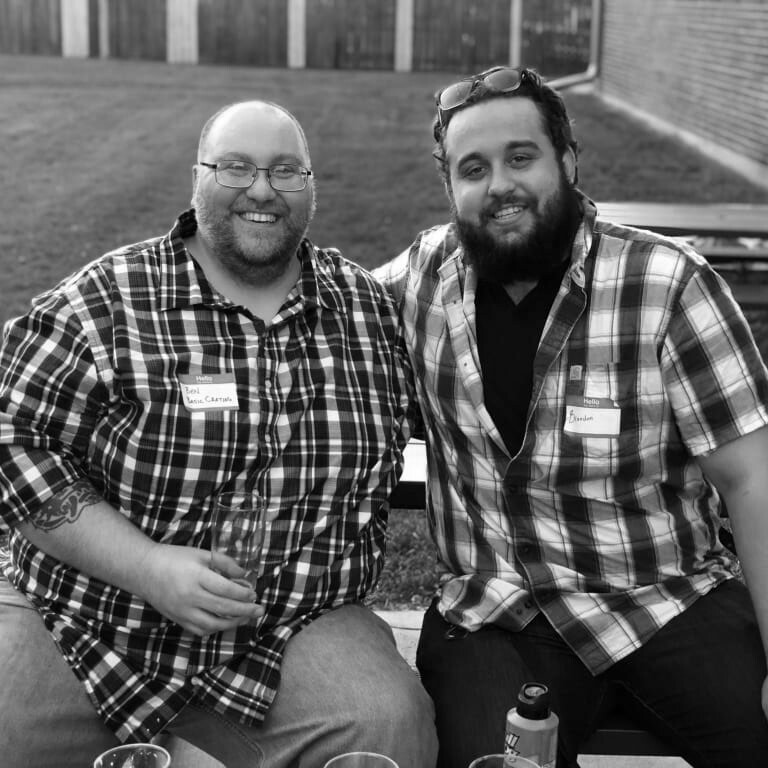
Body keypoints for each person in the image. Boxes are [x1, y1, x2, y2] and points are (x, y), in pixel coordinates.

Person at [0, 100, 437, 768]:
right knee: (8, 726)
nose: (262, 189)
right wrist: (147, 565)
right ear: (197, 178)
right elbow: (14, 436)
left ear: (311, 186)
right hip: (91, 617)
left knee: (387, 725)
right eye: (236, 167)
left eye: (286, 171)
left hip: (290, 624)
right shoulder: (106, 301)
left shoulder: (366, 310)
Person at [374, 66, 768, 768]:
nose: (500, 187)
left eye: (520, 158)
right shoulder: (418, 283)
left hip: (667, 598)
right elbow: (305, 316)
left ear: (568, 159)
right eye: (473, 169)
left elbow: (754, 481)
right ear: (449, 187)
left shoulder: (669, 282)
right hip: (498, 615)